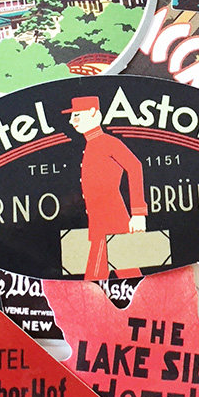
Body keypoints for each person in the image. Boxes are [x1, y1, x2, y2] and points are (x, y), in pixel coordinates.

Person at [63, 96, 148, 280]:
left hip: (112, 219)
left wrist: (138, 213)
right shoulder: (90, 144)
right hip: (100, 222)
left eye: (76, 115)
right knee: (126, 272)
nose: (71, 121)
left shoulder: (108, 142)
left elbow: (135, 167)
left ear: (94, 114)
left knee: (99, 276)